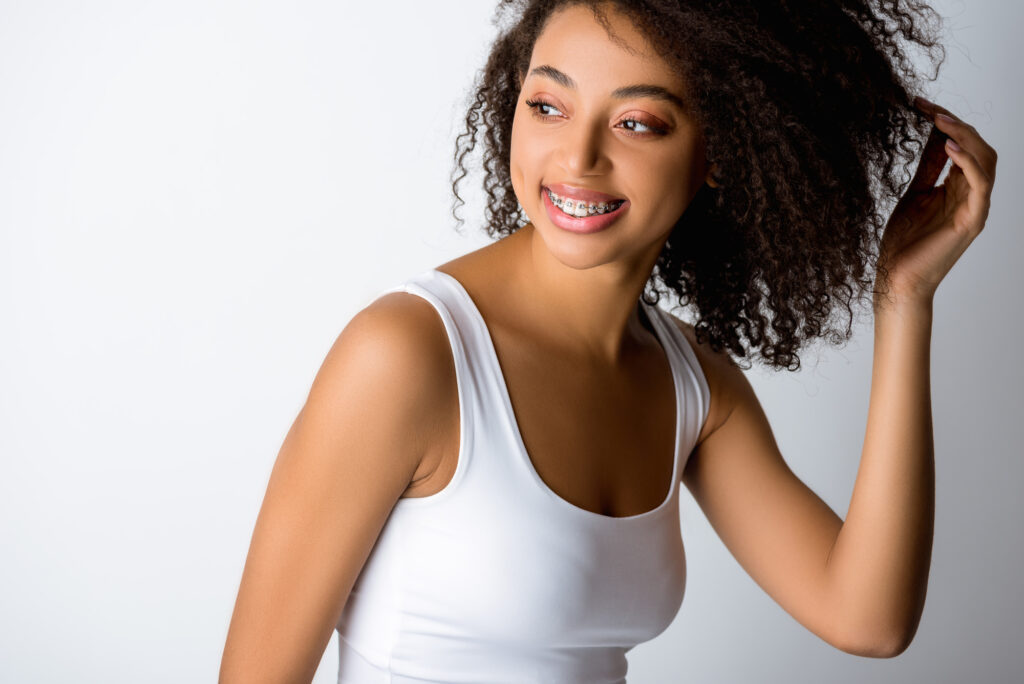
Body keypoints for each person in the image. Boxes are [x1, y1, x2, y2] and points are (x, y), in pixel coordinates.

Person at [220, 1, 998, 682]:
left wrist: (903, 298)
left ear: (720, 154)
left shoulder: (696, 387)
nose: (578, 158)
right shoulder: (409, 355)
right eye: (548, 106)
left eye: (637, 123)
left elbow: (867, 618)